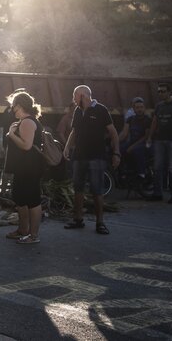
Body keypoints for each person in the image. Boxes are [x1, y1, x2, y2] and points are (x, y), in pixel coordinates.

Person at [62, 85, 119, 234]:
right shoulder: (78, 111)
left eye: (75, 96)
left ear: (82, 95)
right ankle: (78, 220)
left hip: (96, 157)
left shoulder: (101, 110)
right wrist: (67, 147)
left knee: (97, 190)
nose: (73, 99)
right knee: (78, 189)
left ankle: (100, 223)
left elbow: (113, 132)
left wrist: (116, 153)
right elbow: (74, 131)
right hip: (79, 156)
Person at [4, 91, 45, 244]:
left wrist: (11, 134)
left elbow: (26, 146)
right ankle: (22, 230)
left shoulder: (27, 122)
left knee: (32, 200)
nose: (11, 109)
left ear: (19, 106)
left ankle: (33, 236)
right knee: (20, 199)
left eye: (13, 106)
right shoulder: (24, 121)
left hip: (30, 167)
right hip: (23, 167)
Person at [145, 83, 172, 204]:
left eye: (163, 91)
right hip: (159, 141)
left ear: (169, 92)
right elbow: (154, 122)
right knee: (157, 168)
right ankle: (157, 194)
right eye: (159, 91)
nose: (160, 94)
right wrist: (150, 137)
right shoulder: (159, 106)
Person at [118, 97, 151, 178]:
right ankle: (124, 171)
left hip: (143, 143)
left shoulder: (147, 120)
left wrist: (133, 146)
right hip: (132, 141)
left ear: (144, 108)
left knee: (136, 150)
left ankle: (141, 174)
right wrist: (115, 141)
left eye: (141, 107)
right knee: (120, 149)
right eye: (137, 107)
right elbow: (124, 133)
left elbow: (146, 137)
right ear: (134, 109)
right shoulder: (130, 119)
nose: (139, 109)